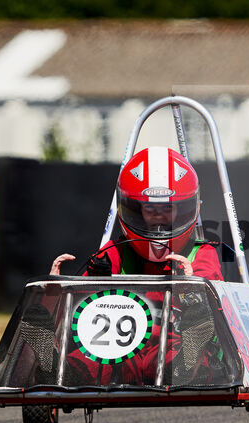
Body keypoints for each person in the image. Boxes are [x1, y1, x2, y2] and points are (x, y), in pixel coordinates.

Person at [52, 147, 226, 386]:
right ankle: (53, 364)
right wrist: (58, 290)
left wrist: (191, 284)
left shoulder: (200, 253)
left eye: (167, 209)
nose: (159, 218)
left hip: (176, 340)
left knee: (180, 352)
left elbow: (214, 298)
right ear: (134, 210)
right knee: (89, 356)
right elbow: (79, 302)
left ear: (185, 209)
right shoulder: (114, 252)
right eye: (150, 209)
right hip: (118, 347)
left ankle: (186, 361)